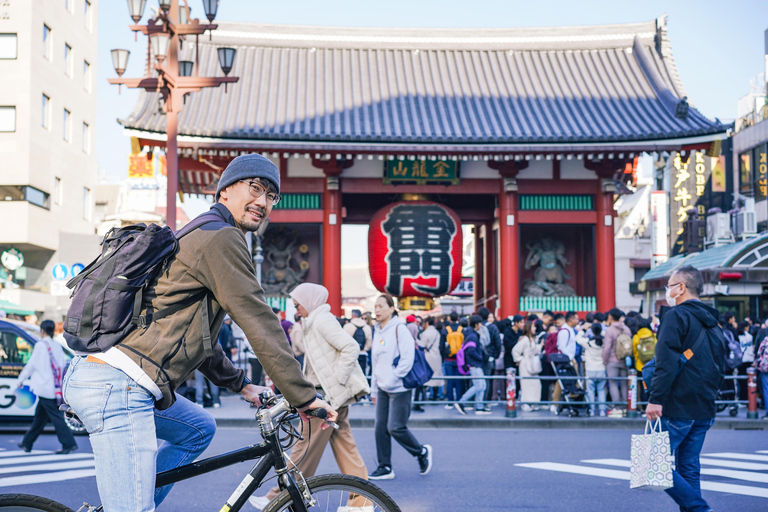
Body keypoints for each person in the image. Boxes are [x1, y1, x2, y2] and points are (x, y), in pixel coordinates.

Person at [62, 154, 336, 512]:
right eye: (255, 188)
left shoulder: (203, 230)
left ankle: (130, 496)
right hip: (119, 385)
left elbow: (197, 336)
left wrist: (241, 385)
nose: (263, 202)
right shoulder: (221, 237)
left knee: (199, 428)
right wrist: (302, 396)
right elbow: (257, 317)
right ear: (225, 190)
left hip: (113, 379)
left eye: (272, 196)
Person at [250, 283, 370, 510]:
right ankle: (361, 503)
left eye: (298, 304)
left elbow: (351, 348)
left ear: (310, 301)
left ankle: (276, 496)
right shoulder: (313, 321)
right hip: (329, 394)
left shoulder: (321, 320)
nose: (296, 309)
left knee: (304, 447)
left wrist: (338, 381)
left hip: (326, 394)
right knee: (346, 447)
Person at [646, 265, 727, 512]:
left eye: (669, 286)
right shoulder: (714, 323)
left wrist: (655, 398)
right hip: (704, 405)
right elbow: (721, 365)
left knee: (652, 462)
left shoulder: (675, 316)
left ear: (681, 287)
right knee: (689, 467)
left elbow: (666, 361)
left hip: (676, 403)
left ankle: (699, 508)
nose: (667, 291)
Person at [368, 294, 432, 480]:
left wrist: (393, 377)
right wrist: (374, 388)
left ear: (391, 308)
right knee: (380, 428)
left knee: (395, 427)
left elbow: (407, 359)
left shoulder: (400, 329)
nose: (377, 310)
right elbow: (375, 363)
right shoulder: (378, 331)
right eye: (375, 306)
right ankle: (385, 467)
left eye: (381, 306)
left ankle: (420, 452)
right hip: (381, 388)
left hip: (400, 388)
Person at [16, 320, 78, 454]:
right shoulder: (57, 345)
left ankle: (69, 444)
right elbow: (62, 364)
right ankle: (27, 443)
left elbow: (31, 365)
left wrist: (20, 380)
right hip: (54, 388)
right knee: (40, 417)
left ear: (42, 331)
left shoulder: (40, 345)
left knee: (55, 417)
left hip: (44, 388)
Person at [454, 315, 491, 415]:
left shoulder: (470, 334)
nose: (481, 325)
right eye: (480, 324)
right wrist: (480, 357)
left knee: (482, 385)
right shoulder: (472, 336)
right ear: (476, 324)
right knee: (479, 385)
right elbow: (471, 351)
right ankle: (461, 402)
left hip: (474, 364)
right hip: (475, 365)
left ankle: (479, 407)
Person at [602, 308, 630, 412]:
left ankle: (617, 407)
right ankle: (626, 406)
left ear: (610, 317)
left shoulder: (609, 330)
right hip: (624, 359)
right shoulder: (626, 329)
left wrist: (604, 360)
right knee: (624, 383)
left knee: (613, 383)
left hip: (612, 361)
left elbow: (607, 348)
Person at [577, 323, 607, 416]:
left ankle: (592, 410)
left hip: (590, 369)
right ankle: (602, 410)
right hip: (601, 369)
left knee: (590, 391)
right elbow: (604, 334)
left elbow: (577, 338)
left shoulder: (588, 343)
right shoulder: (604, 342)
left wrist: (584, 330)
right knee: (601, 390)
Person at [512, 321, 542, 412]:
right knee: (527, 384)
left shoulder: (532, 338)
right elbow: (515, 350)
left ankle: (532, 402)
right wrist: (520, 359)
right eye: (533, 327)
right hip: (525, 365)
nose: (535, 329)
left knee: (535, 384)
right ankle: (526, 403)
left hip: (531, 364)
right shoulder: (525, 339)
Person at [417, 316, 444, 405]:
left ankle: (424, 398)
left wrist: (416, 340)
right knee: (436, 377)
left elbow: (422, 345)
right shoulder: (437, 332)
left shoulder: (425, 333)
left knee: (426, 377)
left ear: (427, 323)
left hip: (428, 357)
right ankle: (435, 397)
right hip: (437, 357)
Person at [478, 307, 502, 404]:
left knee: (477, 380)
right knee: (488, 380)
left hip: (478, 357)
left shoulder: (477, 326)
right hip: (490, 357)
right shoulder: (492, 327)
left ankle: (476, 401)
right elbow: (498, 343)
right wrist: (495, 355)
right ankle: (487, 401)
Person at [440, 311, 464, 406]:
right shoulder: (462, 329)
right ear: (458, 318)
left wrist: (445, 354)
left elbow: (441, 347)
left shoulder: (445, 330)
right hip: (459, 360)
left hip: (448, 359)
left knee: (449, 381)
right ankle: (459, 401)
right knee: (459, 381)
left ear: (449, 319)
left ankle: (450, 402)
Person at [343, 309, 372, 377]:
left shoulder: (347, 326)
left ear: (353, 315)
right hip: (363, 355)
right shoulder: (367, 327)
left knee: (351, 377)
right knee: (362, 376)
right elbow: (369, 344)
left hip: (350, 355)